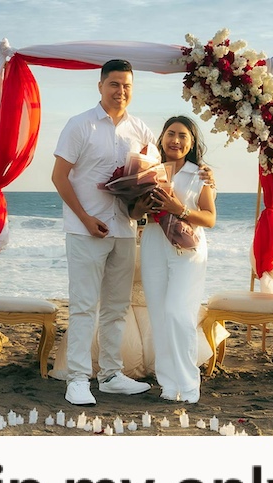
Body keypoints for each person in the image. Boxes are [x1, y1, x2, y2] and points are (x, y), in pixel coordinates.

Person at [51, 59, 156, 406]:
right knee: (83, 306)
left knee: (116, 307)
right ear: (100, 86)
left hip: (124, 231)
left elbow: (152, 178)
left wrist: (140, 211)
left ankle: (111, 375)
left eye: (126, 85)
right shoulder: (80, 125)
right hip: (86, 230)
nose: (120, 91)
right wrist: (84, 218)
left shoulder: (140, 129)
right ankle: (78, 378)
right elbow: (59, 177)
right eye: (114, 84)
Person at [131, 116, 216, 404]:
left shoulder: (200, 174)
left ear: (191, 143)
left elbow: (210, 218)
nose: (175, 140)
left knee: (179, 314)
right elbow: (135, 212)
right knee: (159, 316)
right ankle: (168, 384)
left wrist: (179, 209)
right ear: (162, 137)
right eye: (170, 133)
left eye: (182, 136)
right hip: (154, 241)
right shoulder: (150, 169)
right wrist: (140, 207)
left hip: (188, 249)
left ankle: (189, 385)